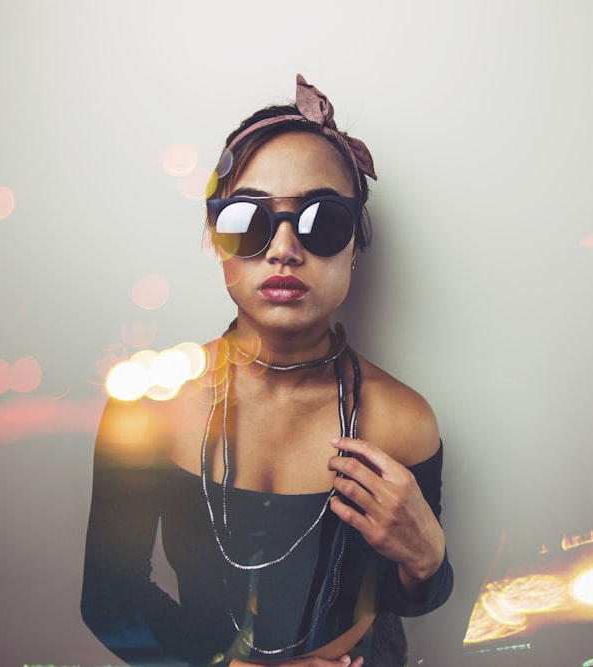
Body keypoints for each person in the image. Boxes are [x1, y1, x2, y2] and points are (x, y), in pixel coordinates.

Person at [81, 75, 452, 667]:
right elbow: (109, 601)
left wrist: (428, 559)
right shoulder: (149, 405)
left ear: (355, 243)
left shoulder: (402, 419)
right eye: (247, 221)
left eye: (321, 221)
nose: (283, 248)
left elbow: (406, 598)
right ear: (215, 239)